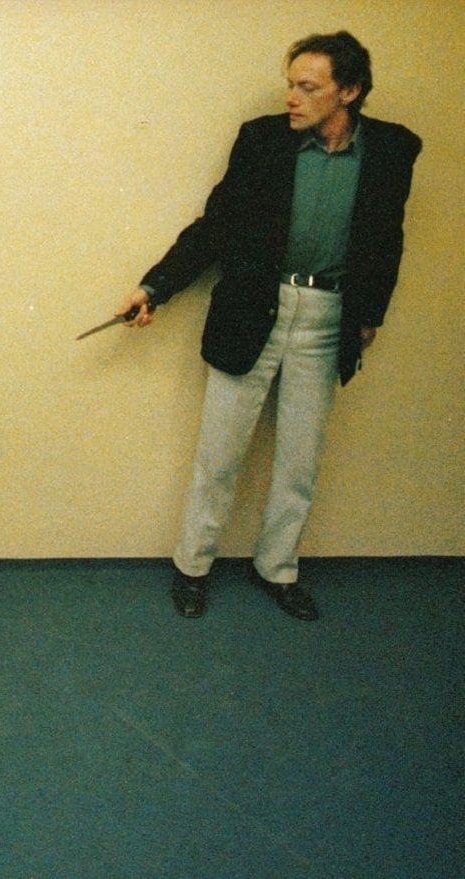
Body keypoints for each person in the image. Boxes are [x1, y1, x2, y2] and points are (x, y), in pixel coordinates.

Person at [117, 31, 421, 620]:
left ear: (350, 92)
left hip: (329, 318)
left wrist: (369, 315)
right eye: (290, 84)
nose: (292, 98)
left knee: (300, 460)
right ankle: (193, 566)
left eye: (308, 87)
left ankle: (278, 568)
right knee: (219, 455)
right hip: (255, 308)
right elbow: (215, 226)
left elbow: (388, 241)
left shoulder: (391, 151)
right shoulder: (261, 142)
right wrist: (154, 286)